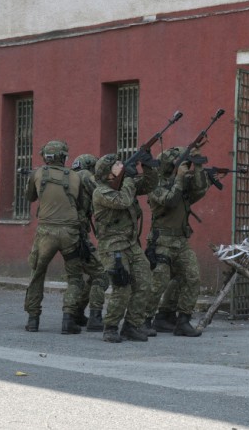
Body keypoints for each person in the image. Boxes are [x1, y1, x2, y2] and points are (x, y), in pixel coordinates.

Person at [23, 140, 92, 334]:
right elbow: (79, 204)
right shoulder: (75, 176)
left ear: (45, 156)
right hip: (70, 232)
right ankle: (68, 319)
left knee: (37, 274)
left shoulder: (38, 173)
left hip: (46, 232)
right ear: (64, 157)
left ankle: (33, 319)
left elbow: (29, 198)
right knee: (75, 277)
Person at [92, 152, 158, 343]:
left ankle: (132, 325)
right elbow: (123, 201)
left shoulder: (125, 185)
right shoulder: (101, 191)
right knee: (122, 287)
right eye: (117, 164)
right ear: (107, 173)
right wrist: (129, 177)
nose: (121, 165)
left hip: (130, 244)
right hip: (113, 246)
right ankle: (111, 327)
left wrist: (147, 166)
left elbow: (149, 185)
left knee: (144, 282)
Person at [144, 147, 210, 337]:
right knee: (159, 282)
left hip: (180, 241)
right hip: (162, 241)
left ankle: (182, 320)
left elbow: (200, 189)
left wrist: (197, 165)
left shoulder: (182, 185)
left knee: (192, 276)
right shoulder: (154, 185)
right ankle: (144, 320)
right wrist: (180, 177)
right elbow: (170, 200)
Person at [71, 153, 109, 332]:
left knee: (89, 275)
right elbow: (102, 192)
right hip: (79, 236)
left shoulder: (70, 177)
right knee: (101, 274)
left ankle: (76, 312)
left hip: (69, 234)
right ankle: (95, 317)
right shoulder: (85, 176)